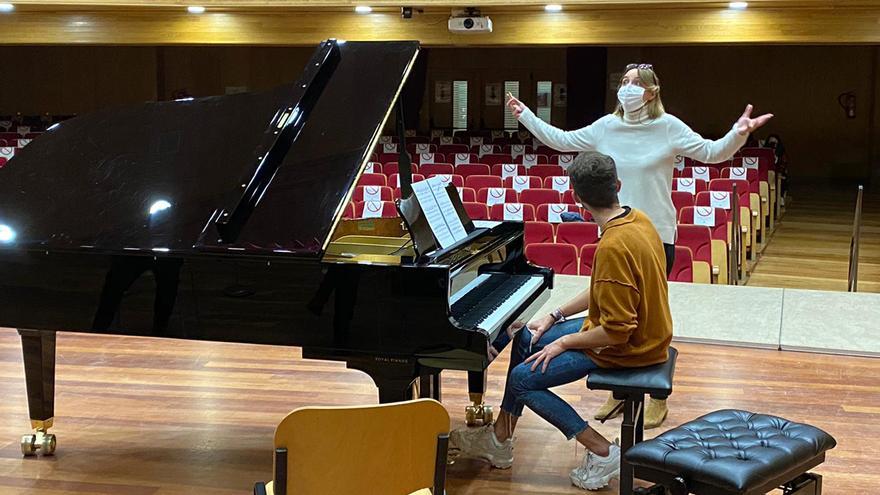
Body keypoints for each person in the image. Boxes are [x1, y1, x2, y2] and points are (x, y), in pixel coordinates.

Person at [506, 63, 772, 426]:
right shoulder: (606, 126)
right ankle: (620, 394)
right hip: (614, 229)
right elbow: (562, 140)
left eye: (635, 83)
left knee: (646, 313)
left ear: (651, 92)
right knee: (612, 304)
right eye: (623, 82)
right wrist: (527, 117)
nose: (627, 88)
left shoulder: (668, 127)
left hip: (654, 232)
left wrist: (737, 133)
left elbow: (712, 153)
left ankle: (658, 397)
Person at [451, 151, 673, 491]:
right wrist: (554, 317)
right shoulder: (637, 219)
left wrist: (562, 341)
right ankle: (499, 439)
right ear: (617, 186)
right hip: (639, 330)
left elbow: (616, 330)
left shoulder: (614, 245)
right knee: (526, 336)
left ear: (576, 197)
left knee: (524, 380)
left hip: (632, 346)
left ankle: (602, 452)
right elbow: (604, 291)